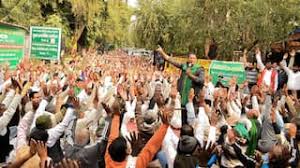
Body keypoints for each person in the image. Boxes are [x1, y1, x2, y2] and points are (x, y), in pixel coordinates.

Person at [156, 46, 204, 124]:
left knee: (190, 120)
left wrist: (190, 75)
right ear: (188, 59)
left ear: (196, 60)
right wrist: (162, 52)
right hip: (181, 97)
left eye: (194, 58)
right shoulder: (184, 66)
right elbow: (172, 61)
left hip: (192, 100)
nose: (192, 60)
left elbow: (201, 80)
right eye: (190, 58)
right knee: (181, 118)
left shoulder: (199, 69)